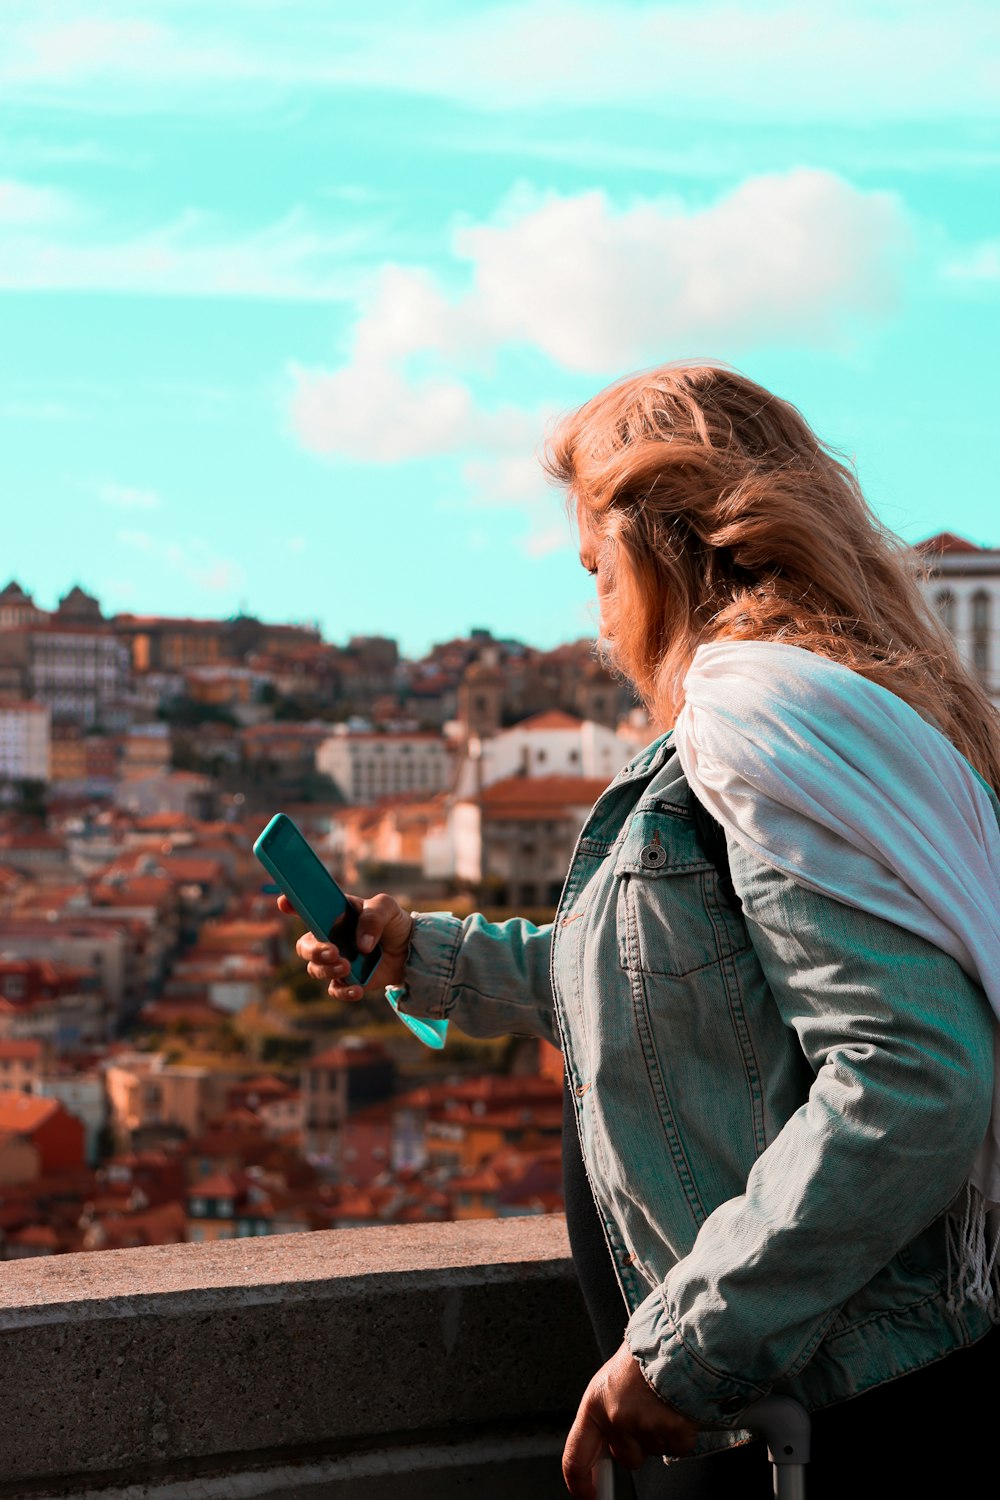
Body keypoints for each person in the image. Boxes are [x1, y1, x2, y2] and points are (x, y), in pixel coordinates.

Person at [283, 364, 1000, 1500]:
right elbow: (664, 978)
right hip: (800, 1382)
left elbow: (914, 1073)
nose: (597, 615)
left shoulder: (764, 729)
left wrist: (690, 1346)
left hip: (812, 1397)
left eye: (596, 571)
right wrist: (419, 953)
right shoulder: (826, 722)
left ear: (665, 553)